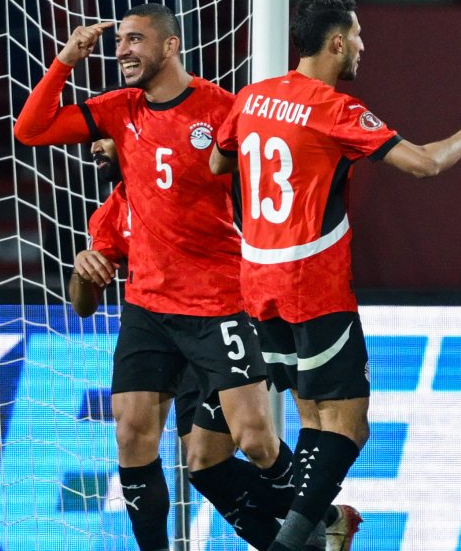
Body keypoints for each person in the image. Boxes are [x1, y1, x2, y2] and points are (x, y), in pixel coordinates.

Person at [210, 0, 461, 551]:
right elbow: (424, 163)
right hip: (311, 285)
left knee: (313, 421)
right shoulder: (336, 109)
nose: (364, 46)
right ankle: (291, 544)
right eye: (359, 36)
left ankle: (322, 533)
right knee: (347, 426)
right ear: (337, 41)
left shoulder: (250, 99)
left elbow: (218, 161)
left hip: (256, 282)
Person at [15, 4, 299, 551]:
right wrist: (66, 60)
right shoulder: (121, 112)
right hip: (148, 307)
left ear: (170, 47)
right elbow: (31, 130)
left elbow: (268, 184)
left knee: (254, 440)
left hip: (218, 303)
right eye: (119, 40)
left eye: (136, 39)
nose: (122, 49)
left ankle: (318, 520)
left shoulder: (222, 109)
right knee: (131, 432)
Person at [67, 136, 361, 551]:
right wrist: (82, 268)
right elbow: (82, 305)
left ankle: (317, 522)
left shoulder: (202, 179)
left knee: (256, 440)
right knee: (203, 466)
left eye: (103, 138)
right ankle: (324, 523)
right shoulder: (114, 211)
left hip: (227, 320)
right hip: (172, 342)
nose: (94, 149)